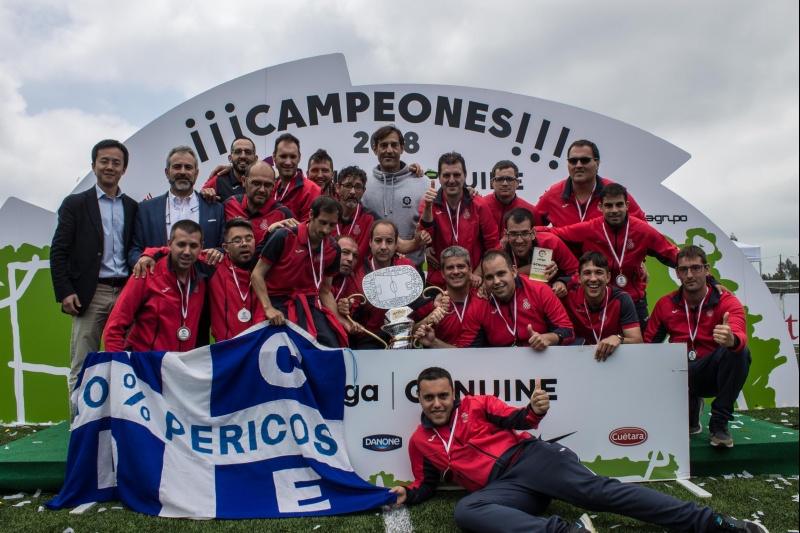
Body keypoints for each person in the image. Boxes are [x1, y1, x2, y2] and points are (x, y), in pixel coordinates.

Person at [389, 366, 769, 533]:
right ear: (419, 399)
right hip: (505, 490)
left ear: (454, 394)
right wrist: (410, 492)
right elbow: (428, 484)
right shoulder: (421, 442)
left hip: (532, 460)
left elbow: (516, 419)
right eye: (429, 398)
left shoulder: (478, 405)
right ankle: (565, 532)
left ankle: (713, 524)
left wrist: (532, 411)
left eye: (443, 395)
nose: (437, 403)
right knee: (467, 511)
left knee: (601, 493)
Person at [50, 139, 138, 417]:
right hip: (91, 293)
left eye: (116, 162)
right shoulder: (76, 204)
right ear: (93, 166)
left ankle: (125, 420)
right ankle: (80, 423)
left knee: (127, 360)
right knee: (83, 362)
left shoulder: (132, 207)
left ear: (124, 169)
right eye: (105, 161)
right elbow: (59, 250)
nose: (110, 167)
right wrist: (65, 291)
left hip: (125, 291)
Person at [645, 245, 751, 448]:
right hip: (679, 374)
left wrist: (732, 340)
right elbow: (649, 346)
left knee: (739, 353)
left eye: (695, 268)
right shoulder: (665, 304)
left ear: (707, 269)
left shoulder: (727, 301)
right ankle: (690, 410)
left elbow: (739, 333)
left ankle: (719, 421)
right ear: (677, 273)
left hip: (712, 371)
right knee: (657, 359)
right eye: (683, 270)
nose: (690, 275)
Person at [544, 183, 678, 329]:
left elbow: (672, 254)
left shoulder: (642, 230)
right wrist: (526, 233)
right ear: (600, 207)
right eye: (609, 206)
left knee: (640, 347)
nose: (614, 210)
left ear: (627, 205)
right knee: (599, 346)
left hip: (634, 300)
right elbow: (553, 233)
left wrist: (703, 274)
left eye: (619, 205)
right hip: (600, 302)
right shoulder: (589, 228)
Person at [250, 195, 349, 348]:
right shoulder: (284, 236)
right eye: (322, 222)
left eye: (332, 225)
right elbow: (257, 274)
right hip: (277, 303)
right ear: (310, 215)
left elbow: (325, 291)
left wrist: (340, 319)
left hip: (309, 305)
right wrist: (268, 308)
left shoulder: (333, 249)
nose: (326, 230)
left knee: (332, 348)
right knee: (273, 353)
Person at [104, 220, 212, 352]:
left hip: (182, 366)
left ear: (201, 247)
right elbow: (114, 327)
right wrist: (120, 366)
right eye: (181, 244)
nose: (187, 251)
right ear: (169, 244)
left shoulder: (204, 274)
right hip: (146, 364)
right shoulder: (146, 273)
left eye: (193, 246)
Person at [129, 145, 225, 267]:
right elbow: (135, 250)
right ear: (167, 172)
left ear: (196, 173)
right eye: (177, 167)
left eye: (188, 167)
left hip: (203, 282)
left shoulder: (216, 208)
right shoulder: (146, 209)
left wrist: (218, 252)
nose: (183, 172)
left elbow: (224, 247)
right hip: (158, 282)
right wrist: (143, 260)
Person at [456, 250, 574, 349]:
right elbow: (467, 349)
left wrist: (547, 338)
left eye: (501, 274)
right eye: (489, 277)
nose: (496, 281)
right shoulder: (479, 303)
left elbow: (567, 331)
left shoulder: (539, 290)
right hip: (502, 368)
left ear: (513, 271)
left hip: (540, 356)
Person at [420, 151, 500, 289]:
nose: (451, 180)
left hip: (472, 280)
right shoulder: (428, 203)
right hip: (439, 283)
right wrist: (428, 207)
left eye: (456, 175)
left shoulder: (479, 204)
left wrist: (478, 272)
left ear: (465, 176)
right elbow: (423, 237)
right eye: (446, 175)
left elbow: (493, 246)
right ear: (439, 177)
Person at [340, 220, 421, 349]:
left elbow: (418, 304)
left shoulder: (406, 266)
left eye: (389, 241)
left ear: (396, 245)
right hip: (372, 339)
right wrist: (345, 308)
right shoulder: (360, 278)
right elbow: (351, 315)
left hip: (404, 336)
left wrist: (435, 304)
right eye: (378, 241)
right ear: (370, 242)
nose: (383, 247)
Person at [360, 125, 429, 270]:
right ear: (375, 149)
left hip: (411, 268)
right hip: (372, 269)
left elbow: (433, 225)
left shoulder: (422, 183)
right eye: (383, 145)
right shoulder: (363, 185)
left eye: (394, 145)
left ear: (402, 148)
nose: (389, 150)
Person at [535, 139, 646, 229]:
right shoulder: (553, 195)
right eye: (573, 161)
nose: (578, 165)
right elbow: (531, 228)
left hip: (605, 256)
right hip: (565, 257)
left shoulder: (615, 192)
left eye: (584, 160)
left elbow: (641, 225)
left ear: (597, 164)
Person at [557, 251, 642, 361]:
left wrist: (619, 338)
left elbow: (637, 341)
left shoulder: (622, 299)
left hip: (612, 360)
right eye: (587, 273)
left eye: (599, 273)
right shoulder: (567, 297)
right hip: (577, 360)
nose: (593, 279)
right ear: (578, 278)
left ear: (608, 277)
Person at [503, 207, 577, 296]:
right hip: (518, 297)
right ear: (506, 235)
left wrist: (563, 282)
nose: (519, 240)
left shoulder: (551, 242)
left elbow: (577, 271)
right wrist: (523, 271)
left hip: (554, 296)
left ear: (533, 233)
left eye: (525, 233)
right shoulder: (500, 252)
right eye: (514, 234)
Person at [413, 246, 477, 348]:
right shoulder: (433, 304)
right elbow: (408, 332)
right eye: (450, 268)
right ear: (442, 273)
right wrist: (427, 320)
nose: (456, 272)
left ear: (470, 270)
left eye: (461, 266)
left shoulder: (481, 299)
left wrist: (434, 342)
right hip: (438, 362)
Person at [223, 160, 294, 245]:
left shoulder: (283, 214)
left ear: (274, 185)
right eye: (256, 183)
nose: (262, 190)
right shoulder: (229, 204)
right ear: (244, 181)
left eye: (268, 185)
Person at [483, 160, 542, 239]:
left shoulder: (530, 211)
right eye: (500, 179)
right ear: (492, 182)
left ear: (517, 183)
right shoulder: (482, 205)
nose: (505, 183)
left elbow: (539, 240)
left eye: (509, 179)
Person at [270, 133, 321, 222]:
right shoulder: (269, 187)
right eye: (283, 156)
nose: (288, 162)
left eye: (292, 157)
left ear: (299, 158)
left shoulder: (311, 190)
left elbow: (308, 230)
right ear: (274, 157)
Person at [200, 136, 258, 202]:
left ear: (255, 159)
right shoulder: (218, 180)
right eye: (238, 151)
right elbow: (199, 200)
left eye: (248, 152)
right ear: (230, 158)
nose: (243, 156)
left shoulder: (264, 181)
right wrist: (204, 194)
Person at [331, 235, 360, 303]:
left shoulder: (353, 285)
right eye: (345, 252)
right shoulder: (316, 276)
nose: (350, 259)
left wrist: (348, 308)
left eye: (355, 256)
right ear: (332, 251)